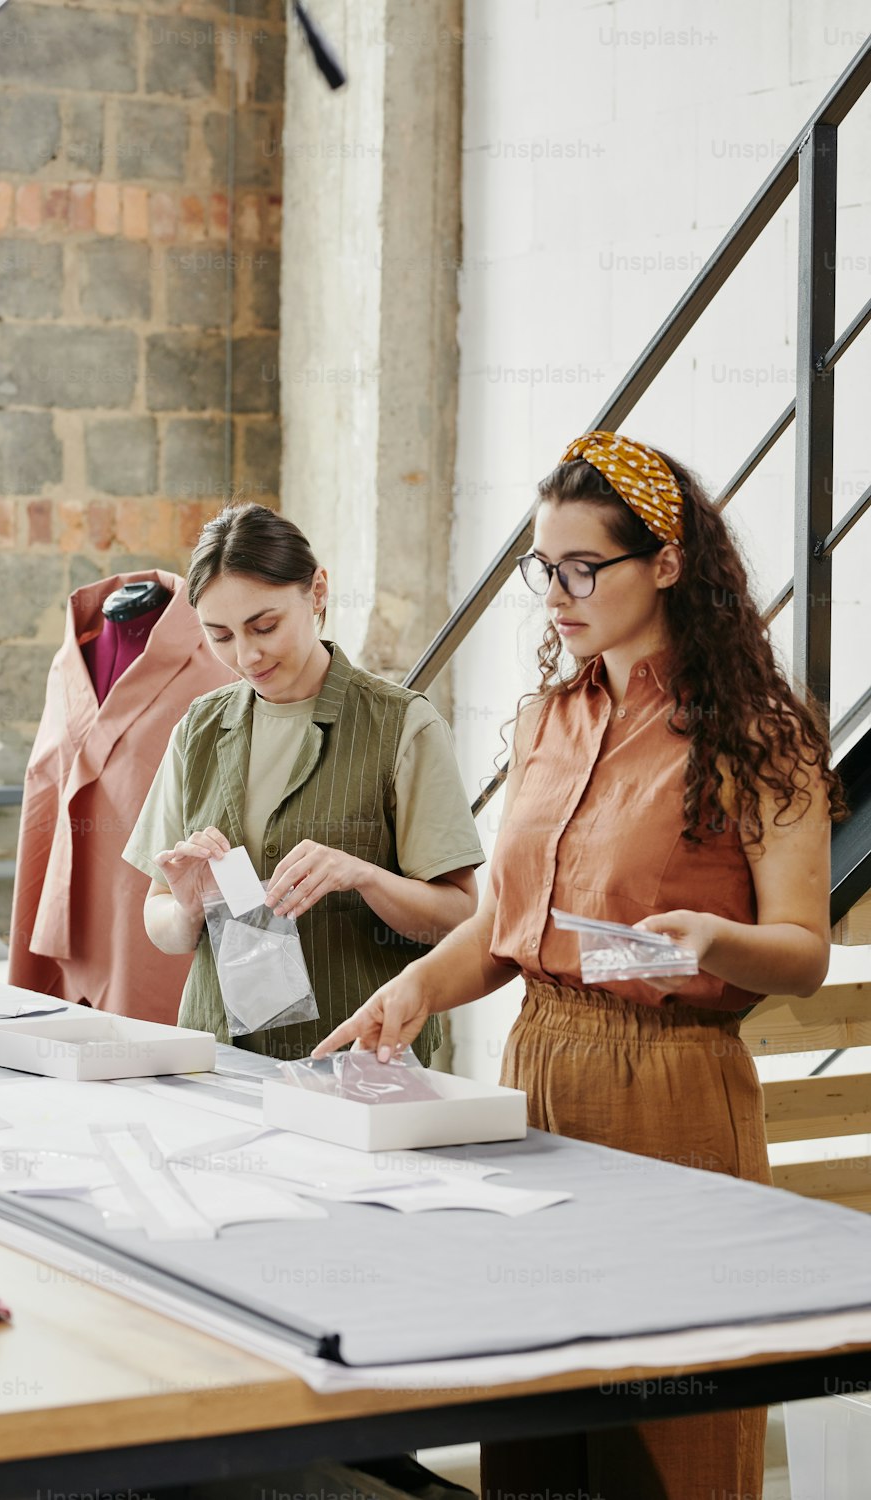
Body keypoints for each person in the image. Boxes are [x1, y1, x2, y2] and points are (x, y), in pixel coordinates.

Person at [313, 431, 846, 1500]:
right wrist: (412, 987)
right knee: (537, 1423)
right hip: (535, 1080)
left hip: (674, 1088)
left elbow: (803, 954)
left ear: (664, 563)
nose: (554, 594)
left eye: (580, 568)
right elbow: (510, 928)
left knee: (675, 1424)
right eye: (540, 568)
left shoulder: (757, 734)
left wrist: (715, 940)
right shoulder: (547, 721)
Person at [122, 501, 485, 1062]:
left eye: (265, 626)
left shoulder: (402, 726)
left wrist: (364, 876)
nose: (247, 655)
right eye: (220, 635)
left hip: (358, 1059)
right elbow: (159, 916)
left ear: (317, 592)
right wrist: (190, 908)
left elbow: (461, 917)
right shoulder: (198, 728)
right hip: (219, 1058)